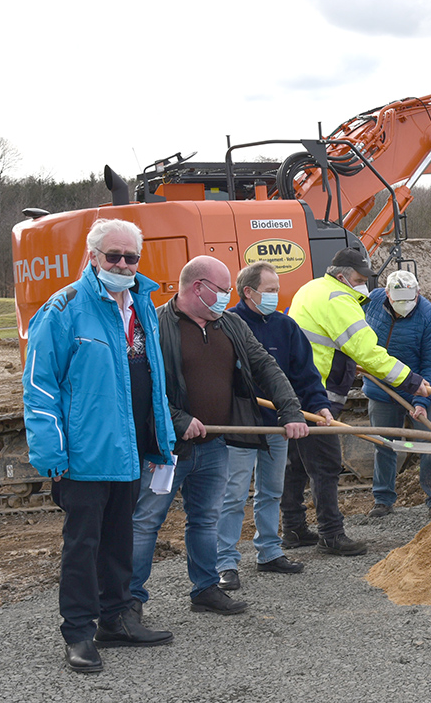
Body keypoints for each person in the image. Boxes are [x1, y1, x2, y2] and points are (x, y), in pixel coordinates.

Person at [23, 219, 177, 673]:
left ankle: (116, 619)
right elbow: (40, 386)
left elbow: (153, 380)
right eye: (114, 256)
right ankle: (78, 631)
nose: (124, 264)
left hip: (127, 452)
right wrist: (50, 453)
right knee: (82, 546)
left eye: (131, 257)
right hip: (83, 457)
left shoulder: (143, 305)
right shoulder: (64, 308)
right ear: (92, 258)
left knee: (118, 542)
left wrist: (160, 440)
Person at [133, 255, 308, 617]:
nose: (227, 298)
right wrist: (178, 419)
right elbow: (143, 387)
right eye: (222, 290)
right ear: (198, 287)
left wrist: (289, 409)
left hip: (213, 446)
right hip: (168, 448)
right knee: (146, 522)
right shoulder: (156, 324)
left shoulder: (229, 325)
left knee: (205, 520)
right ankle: (129, 602)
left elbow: (265, 366)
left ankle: (205, 589)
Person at [283, 248, 431, 555]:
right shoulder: (339, 300)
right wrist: (412, 381)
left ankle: (294, 528)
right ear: (342, 276)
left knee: (296, 461)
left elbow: (332, 341)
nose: (364, 285)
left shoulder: (311, 288)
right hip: (316, 393)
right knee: (326, 464)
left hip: (295, 388)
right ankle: (331, 533)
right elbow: (367, 350)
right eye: (360, 279)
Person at [215, 262, 333, 593]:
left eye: (277, 289)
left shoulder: (285, 326)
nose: (275, 295)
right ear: (249, 292)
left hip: (278, 424)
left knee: (271, 491)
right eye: (269, 290)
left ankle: (269, 551)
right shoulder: (228, 325)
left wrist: (318, 404)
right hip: (240, 427)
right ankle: (225, 562)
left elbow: (304, 373)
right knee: (233, 494)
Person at [363, 270, 431, 520]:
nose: (404, 307)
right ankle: (383, 499)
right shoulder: (374, 302)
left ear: (418, 293)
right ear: (387, 294)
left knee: (430, 444)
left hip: (418, 388)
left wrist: (422, 402)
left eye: (408, 301)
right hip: (381, 388)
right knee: (384, 444)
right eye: (397, 300)